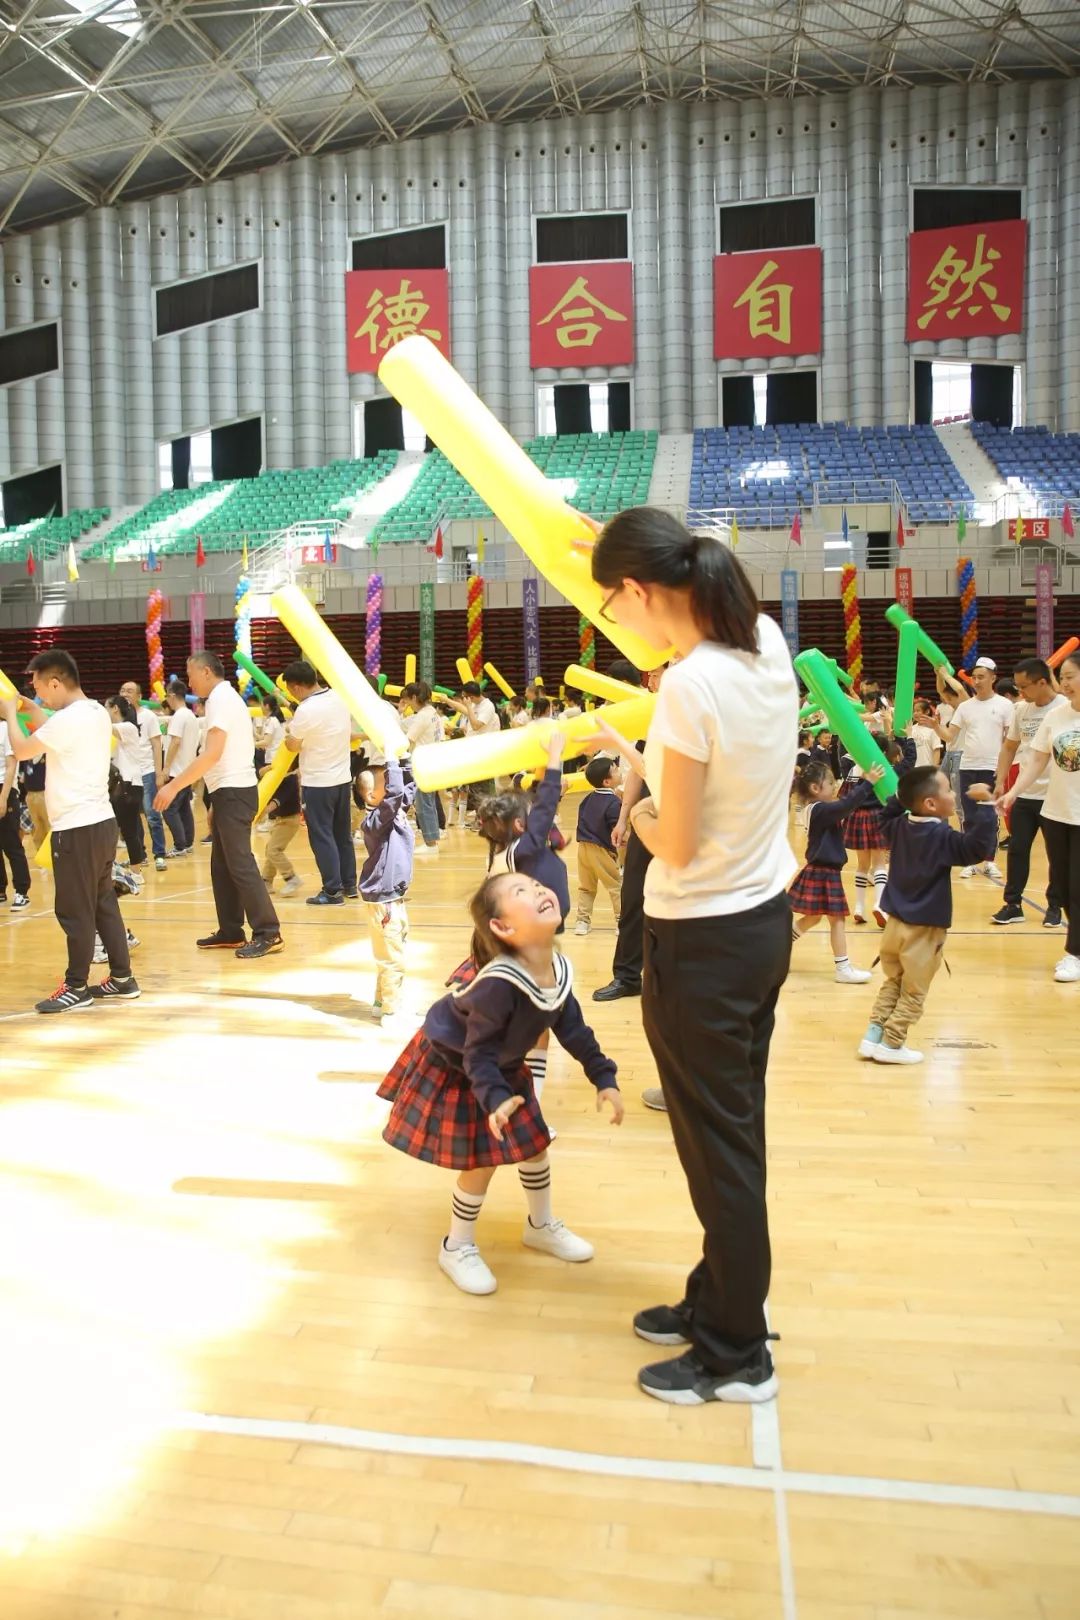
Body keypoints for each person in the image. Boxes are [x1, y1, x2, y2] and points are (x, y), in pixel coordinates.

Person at [585, 506, 797, 1406]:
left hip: (703, 939)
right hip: (757, 923)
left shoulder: (689, 685)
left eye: (612, 606)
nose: (616, 624)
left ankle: (735, 1351)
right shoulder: (767, 643)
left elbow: (670, 842)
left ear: (640, 590)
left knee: (719, 1150)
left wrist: (627, 807)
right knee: (729, 1136)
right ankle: (719, 1296)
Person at [377, 872, 623, 1295]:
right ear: (502, 927)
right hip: (461, 1068)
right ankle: (456, 1246)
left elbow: (575, 1030)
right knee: (482, 1162)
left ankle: (540, 1225)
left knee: (536, 1144)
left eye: (536, 885)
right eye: (521, 892)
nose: (540, 889)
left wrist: (604, 1077)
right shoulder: (498, 984)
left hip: (501, 1067)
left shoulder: (557, 968)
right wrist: (493, 1099)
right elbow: (478, 1053)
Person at [1, 649, 138, 1011]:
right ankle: (123, 978)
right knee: (103, 902)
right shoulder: (93, 711)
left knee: (74, 909)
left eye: (40, 689)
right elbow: (51, 719)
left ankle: (76, 985)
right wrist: (34, 710)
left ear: (56, 682)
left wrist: (12, 715)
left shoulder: (66, 720)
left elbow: (23, 749)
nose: (38, 696)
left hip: (76, 829)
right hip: (100, 823)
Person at [858, 767, 997, 1064]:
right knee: (914, 991)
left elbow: (883, 818)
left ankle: (873, 1036)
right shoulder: (941, 836)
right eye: (948, 790)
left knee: (894, 981)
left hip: (894, 925)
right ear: (931, 804)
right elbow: (975, 849)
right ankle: (892, 1044)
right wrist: (985, 807)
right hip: (924, 929)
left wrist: (897, 798)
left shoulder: (898, 826)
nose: (953, 794)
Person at [154, 650, 282, 959]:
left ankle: (268, 931)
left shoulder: (222, 700)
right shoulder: (221, 700)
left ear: (207, 672)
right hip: (227, 792)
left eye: (191, 674)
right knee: (222, 866)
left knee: (240, 864)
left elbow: (211, 754)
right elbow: (220, 758)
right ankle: (231, 930)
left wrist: (173, 785)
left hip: (235, 792)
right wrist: (214, 800)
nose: (190, 681)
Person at [996, 650, 1080, 983]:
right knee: (1064, 882)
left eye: (1072, 677)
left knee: (1077, 886)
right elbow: (1037, 760)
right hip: (1057, 812)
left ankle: (1073, 953)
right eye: (1066, 678)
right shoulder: (1056, 717)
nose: (1067, 684)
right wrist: (1012, 791)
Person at [789, 761, 885, 982]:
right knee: (837, 920)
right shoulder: (819, 810)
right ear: (815, 788)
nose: (834, 786)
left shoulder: (818, 810)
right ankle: (843, 968)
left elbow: (845, 804)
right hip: (823, 871)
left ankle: (778, 944)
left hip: (822, 871)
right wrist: (868, 783)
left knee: (812, 919)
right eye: (830, 782)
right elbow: (845, 805)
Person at [990, 657, 1066, 928]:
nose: (1019, 692)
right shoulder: (1021, 710)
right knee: (1017, 850)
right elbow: (1010, 747)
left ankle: (1055, 906)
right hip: (1026, 793)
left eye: (1024, 687)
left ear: (1042, 682)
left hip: (1056, 797)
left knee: (1056, 855)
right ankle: (1013, 904)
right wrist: (1001, 781)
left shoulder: (1065, 708)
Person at [282, 660, 358, 904]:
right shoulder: (338, 698)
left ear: (295, 687)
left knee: (322, 836)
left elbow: (293, 744)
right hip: (342, 779)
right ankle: (349, 884)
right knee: (342, 835)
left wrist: (289, 738)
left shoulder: (306, 710)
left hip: (318, 782)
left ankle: (332, 891)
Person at [477, 732, 571, 925]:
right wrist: (554, 759)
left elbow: (539, 803)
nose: (534, 810)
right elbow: (544, 806)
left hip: (542, 919)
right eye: (531, 810)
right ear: (519, 824)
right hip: (536, 922)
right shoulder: (525, 847)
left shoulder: (516, 848)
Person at [357, 755, 416, 1028]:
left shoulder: (394, 809)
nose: (395, 786)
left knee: (391, 950)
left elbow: (408, 788)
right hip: (384, 898)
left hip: (393, 896)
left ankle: (381, 1003)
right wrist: (392, 761)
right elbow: (394, 796)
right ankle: (392, 1013)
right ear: (371, 796)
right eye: (387, 783)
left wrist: (403, 761)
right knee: (393, 956)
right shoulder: (375, 821)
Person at [943, 656, 1012, 877]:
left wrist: (1002, 772)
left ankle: (990, 860)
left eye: (981, 677)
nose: (977, 681)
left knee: (989, 816)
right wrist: (935, 726)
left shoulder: (1005, 705)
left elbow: (1010, 741)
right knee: (969, 816)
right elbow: (950, 736)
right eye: (974, 677)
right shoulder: (965, 707)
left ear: (993, 677)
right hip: (967, 766)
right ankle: (970, 860)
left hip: (992, 766)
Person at [573, 754, 623, 936]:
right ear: (607, 782)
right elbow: (617, 831)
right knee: (616, 886)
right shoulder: (614, 803)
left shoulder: (587, 799)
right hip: (600, 850)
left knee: (586, 887)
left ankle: (582, 922)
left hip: (583, 848)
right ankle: (621, 921)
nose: (619, 770)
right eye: (615, 769)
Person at [119, 680, 166, 872]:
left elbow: (156, 745)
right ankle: (140, 855)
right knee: (132, 818)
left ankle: (160, 854)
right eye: (122, 690)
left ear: (139, 696)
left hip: (146, 770)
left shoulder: (148, 717)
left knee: (152, 814)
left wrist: (159, 772)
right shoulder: (120, 719)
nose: (125, 694)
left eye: (129, 691)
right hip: (129, 774)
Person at [447, 682, 501, 826]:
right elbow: (463, 709)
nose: (464, 699)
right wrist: (447, 700)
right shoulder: (476, 706)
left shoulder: (487, 707)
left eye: (465, 697)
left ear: (470, 696)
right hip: (476, 751)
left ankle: (487, 820)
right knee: (477, 789)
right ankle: (483, 819)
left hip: (484, 752)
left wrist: (469, 707)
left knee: (483, 788)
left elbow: (476, 725)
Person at [400, 681, 444, 854]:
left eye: (408, 700)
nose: (408, 704)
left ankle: (430, 844)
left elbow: (408, 739)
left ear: (414, 697)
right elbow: (405, 724)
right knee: (429, 802)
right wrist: (401, 713)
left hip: (424, 762)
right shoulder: (431, 712)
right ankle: (432, 839)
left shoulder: (423, 716)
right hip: (433, 760)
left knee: (423, 803)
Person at [106, 695, 148, 870]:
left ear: (115, 708)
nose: (105, 711)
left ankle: (136, 871)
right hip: (121, 785)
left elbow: (102, 726)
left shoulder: (128, 728)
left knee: (129, 831)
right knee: (118, 829)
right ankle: (118, 866)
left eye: (106, 707)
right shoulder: (120, 729)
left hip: (128, 785)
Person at [161, 682, 200, 856]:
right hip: (188, 769)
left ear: (171, 695)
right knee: (183, 808)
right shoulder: (191, 715)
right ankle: (187, 843)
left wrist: (166, 767)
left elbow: (175, 742)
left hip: (176, 770)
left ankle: (180, 845)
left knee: (169, 809)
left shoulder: (179, 716)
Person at [0, 717, 32, 912]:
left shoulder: (6, 728)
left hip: (5, 789)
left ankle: (22, 891)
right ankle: (0, 890)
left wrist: (3, 797)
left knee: (11, 844)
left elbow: (12, 764)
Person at [260, 757, 303, 897]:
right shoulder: (278, 776)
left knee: (273, 850)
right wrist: (264, 771)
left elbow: (278, 800)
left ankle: (291, 878)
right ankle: (266, 880)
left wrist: (262, 811)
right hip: (280, 820)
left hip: (290, 820)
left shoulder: (290, 780)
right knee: (270, 849)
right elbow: (259, 773)